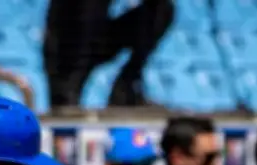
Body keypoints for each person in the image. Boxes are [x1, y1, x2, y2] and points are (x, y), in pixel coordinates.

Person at [43, 0, 174, 107]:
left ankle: (126, 89)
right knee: (85, 15)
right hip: (66, 46)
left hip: (97, 37)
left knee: (161, 9)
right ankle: (65, 98)